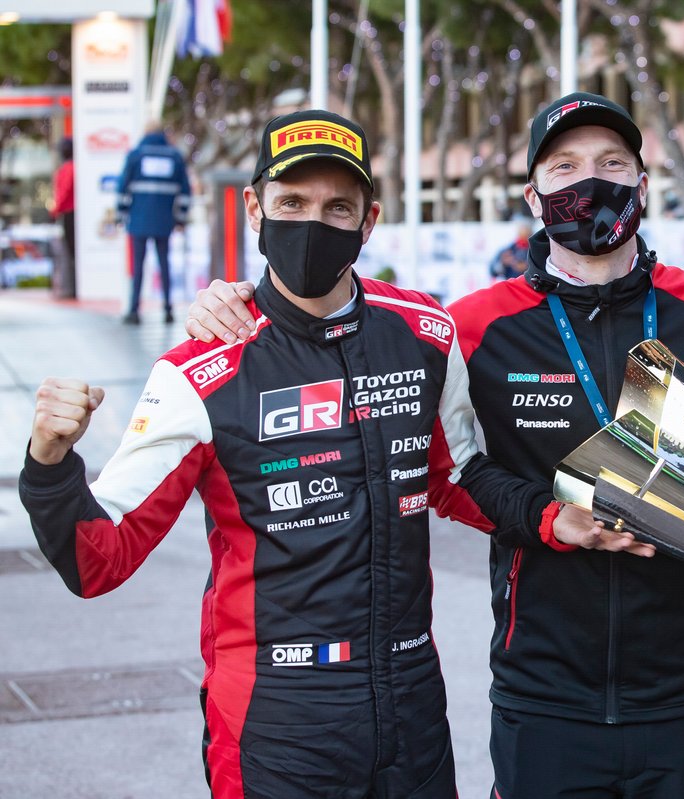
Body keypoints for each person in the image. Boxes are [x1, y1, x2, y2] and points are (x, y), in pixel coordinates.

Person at [184, 93, 684, 798]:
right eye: (564, 166)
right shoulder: (471, 326)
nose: (590, 182)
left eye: (611, 162)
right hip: (541, 693)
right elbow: (449, 470)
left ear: (643, 187)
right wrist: (234, 309)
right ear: (534, 193)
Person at [20, 109, 545, 798]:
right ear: (254, 207)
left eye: (337, 207)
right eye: (292, 202)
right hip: (277, 715)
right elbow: (98, 560)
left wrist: (552, 517)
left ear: (370, 219)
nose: (312, 223)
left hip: (412, 697)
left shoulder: (422, 333)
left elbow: (452, 476)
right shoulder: (200, 370)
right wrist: (50, 461)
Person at [117, 123, 191, 324]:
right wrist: (181, 217)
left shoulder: (135, 155)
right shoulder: (174, 156)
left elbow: (123, 187)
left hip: (139, 220)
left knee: (138, 267)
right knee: (164, 264)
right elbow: (185, 190)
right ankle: (168, 309)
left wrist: (121, 214)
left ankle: (134, 310)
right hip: (164, 221)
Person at [51, 137, 76, 289]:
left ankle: (71, 286)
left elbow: (64, 191)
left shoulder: (68, 168)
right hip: (68, 213)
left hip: (69, 213)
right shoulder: (69, 167)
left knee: (71, 250)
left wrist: (55, 210)